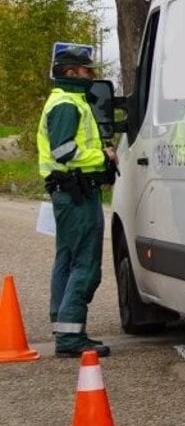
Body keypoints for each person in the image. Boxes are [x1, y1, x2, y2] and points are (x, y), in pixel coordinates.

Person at [38, 42, 117, 357]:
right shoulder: (67, 103)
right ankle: (70, 337)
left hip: (69, 191)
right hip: (77, 192)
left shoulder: (65, 100)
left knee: (67, 260)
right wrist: (104, 155)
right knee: (85, 265)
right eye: (86, 71)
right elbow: (64, 151)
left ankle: (63, 326)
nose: (90, 76)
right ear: (71, 72)